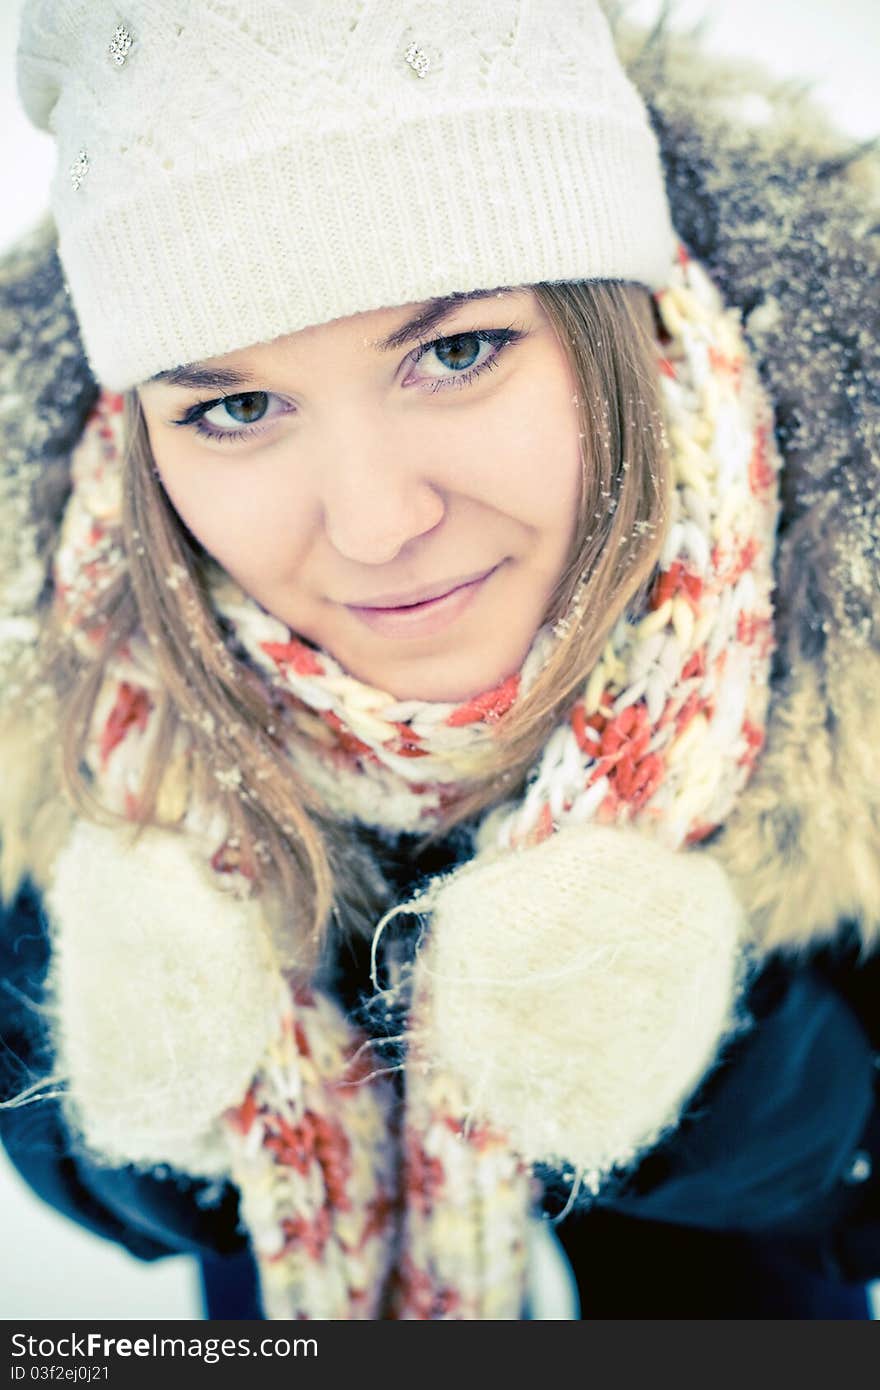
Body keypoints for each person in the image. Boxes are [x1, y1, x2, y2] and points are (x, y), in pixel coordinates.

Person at [1, 0, 877, 1322]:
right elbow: (52, 1141)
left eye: (454, 350)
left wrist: (724, 1077)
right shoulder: (62, 683)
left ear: (614, 321)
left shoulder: (843, 623)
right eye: (236, 407)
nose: (372, 526)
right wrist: (159, 1114)